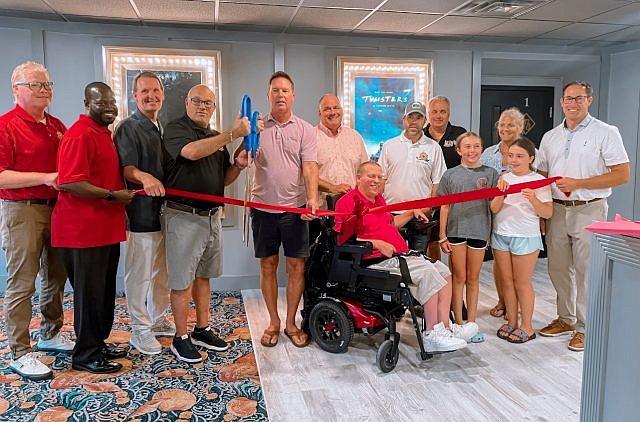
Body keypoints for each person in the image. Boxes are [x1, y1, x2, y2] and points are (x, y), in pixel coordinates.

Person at [334, 161, 470, 352]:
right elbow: (342, 239)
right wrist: (376, 244)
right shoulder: (347, 202)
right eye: (371, 176)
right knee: (427, 273)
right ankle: (431, 334)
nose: (376, 181)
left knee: (444, 271)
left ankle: (445, 327)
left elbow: (392, 223)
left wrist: (410, 212)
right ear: (358, 178)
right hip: (372, 261)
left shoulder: (378, 199)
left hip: (398, 255)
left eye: (379, 177)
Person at [537, 81, 630, 352]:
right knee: (557, 267)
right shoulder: (550, 136)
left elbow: (622, 174)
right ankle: (565, 319)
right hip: (555, 210)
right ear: (562, 101)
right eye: (568, 98)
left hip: (589, 208)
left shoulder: (606, 132)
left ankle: (585, 327)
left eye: (579, 98)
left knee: (586, 271)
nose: (572, 103)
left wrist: (578, 183)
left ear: (590, 100)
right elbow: (542, 175)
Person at [163, 84, 253, 363]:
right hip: (183, 216)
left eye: (208, 103)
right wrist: (232, 134)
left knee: (204, 276)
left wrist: (237, 165)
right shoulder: (175, 128)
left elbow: (223, 179)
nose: (203, 106)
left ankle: (202, 329)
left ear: (213, 108)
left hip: (212, 216)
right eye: (198, 101)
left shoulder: (215, 137)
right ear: (187, 103)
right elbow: (190, 153)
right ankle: (180, 337)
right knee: (181, 281)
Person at [52, 82, 134, 374]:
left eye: (112, 102)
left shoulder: (104, 133)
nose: (109, 107)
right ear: (87, 103)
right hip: (82, 231)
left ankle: (97, 343)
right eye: (102, 103)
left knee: (102, 291)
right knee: (89, 295)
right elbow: (70, 181)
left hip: (104, 228)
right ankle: (85, 354)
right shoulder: (79, 134)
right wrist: (112, 195)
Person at [0, 62, 74, 380]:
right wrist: (45, 176)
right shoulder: (6, 126)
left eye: (47, 84)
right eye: (36, 85)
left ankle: (51, 332)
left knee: (55, 277)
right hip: (23, 210)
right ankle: (19, 351)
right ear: (16, 89)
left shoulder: (56, 125)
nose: (45, 90)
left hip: (57, 209)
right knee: (22, 282)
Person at [251, 71, 318, 348]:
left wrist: (312, 198)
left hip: (295, 208)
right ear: (268, 95)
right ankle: (273, 322)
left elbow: (310, 166)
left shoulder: (305, 129)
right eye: (275, 90)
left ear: (293, 96)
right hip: (262, 207)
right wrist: (246, 146)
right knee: (267, 265)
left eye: (285, 90)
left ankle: (290, 323)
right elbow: (241, 158)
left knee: (296, 267)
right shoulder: (256, 127)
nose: (280, 95)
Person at [114, 71, 173, 356]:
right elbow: (126, 168)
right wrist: (144, 177)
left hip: (164, 214)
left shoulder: (160, 127)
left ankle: (159, 318)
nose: (151, 96)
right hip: (139, 214)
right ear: (135, 96)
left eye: (156, 91)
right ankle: (140, 330)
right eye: (144, 92)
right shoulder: (129, 127)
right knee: (140, 274)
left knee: (162, 271)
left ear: (163, 94)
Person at [490, 138, 552, 343]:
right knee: (506, 281)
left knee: (522, 282)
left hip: (525, 236)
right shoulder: (503, 178)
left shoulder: (538, 182)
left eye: (519, 156)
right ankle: (512, 322)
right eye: (511, 156)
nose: (514, 160)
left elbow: (548, 212)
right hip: (501, 235)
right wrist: (500, 193)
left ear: (531, 158)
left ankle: (527, 326)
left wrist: (533, 198)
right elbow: (494, 209)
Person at [438, 132, 499, 340]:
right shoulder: (450, 175)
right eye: (467, 147)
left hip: (479, 231)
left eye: (476, 146)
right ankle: (458, 323)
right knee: (459, 278)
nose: (471, 151)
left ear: (482, 149)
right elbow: (444, 206)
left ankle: (471, 324)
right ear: (458, 150)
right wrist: (442, 236)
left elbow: (494, 206)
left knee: (473, 279)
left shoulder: (491, 174)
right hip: (455, 231)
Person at [379, 100, 446, 260]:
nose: (414, 121)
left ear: (424, 121)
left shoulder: (434, 147)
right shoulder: (389, 145)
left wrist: (429, 208)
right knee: (393, 259)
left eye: (418, 117)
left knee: (419, 260)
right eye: (411, 117)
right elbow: (381, 179)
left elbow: (437, 181)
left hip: (420, 215)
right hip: (393, 214)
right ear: (404, 120)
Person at [480, 107, 526, 319]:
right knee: (499, 263)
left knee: (519, 265)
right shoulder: (489, 153)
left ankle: (516, 305)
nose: (505, 128)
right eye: (502, 124)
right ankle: (503, 301)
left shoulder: (529, 151)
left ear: (521, 127)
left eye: (511, 124)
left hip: (522, 214)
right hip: (495, 212)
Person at [311, 93, 368, 241]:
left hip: (351, 215)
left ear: (342, 110)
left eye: (336, 107)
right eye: (327, 109)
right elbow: (305, 175)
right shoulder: (310, 137)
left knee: (349, 261)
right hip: (320, 214)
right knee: (316, 261)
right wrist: (332, 188)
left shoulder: (355, 137)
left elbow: (364, 172)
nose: (332, 112)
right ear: (319, 113)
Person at [423, 96, 467, 169]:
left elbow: (468, 161)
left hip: (453, 179)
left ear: (448, 114)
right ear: (428, 114)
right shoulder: (420, 135)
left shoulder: (460, 134)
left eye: (442, 112)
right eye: (434, 112)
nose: (438, 116)